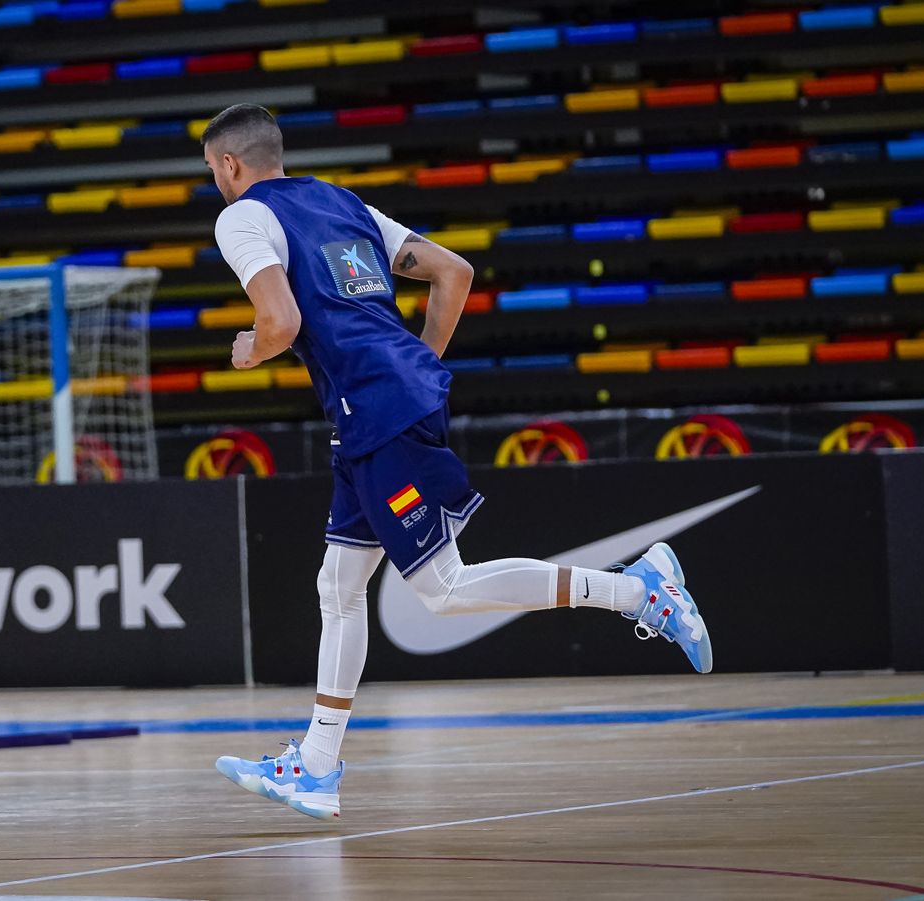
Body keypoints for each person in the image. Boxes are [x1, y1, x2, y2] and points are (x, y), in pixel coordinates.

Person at [202, 104, 712, 821]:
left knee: (441, 589)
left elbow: (279, 323)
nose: (215, 181)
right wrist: (414, 367)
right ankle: (315, 766)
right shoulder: (343, 203)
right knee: (339, 585)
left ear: (229, 164)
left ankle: (637, 591)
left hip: (376, 409)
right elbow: (453, 273)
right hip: (374, 410)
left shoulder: (241, 218)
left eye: (212, 170)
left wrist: (248, 351)